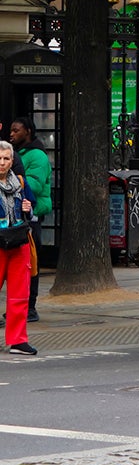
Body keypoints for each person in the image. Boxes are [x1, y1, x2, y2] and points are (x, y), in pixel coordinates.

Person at [10, 117, 50, 323]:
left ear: (28, 131)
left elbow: (34, 185)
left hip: (31, 215)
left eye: (16, 130)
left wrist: (9, 180)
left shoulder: (37, 156)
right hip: (16, 215)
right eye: (11, 130)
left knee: (29, 263)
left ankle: (30, 308)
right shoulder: (18, 154)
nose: (12, 134)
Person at [0, 141, 36, 355]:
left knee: (20, 295)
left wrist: (28, 208)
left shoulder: (20, 183)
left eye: (6, 158)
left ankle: (18, 340)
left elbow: (32, 209)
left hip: (18, 241)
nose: (2, 162)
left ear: (12, 161)